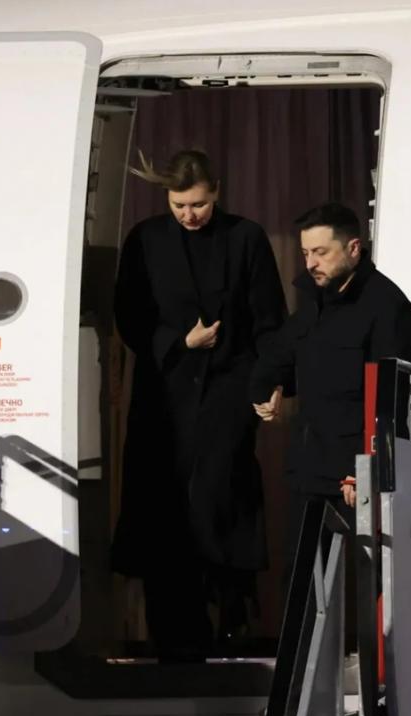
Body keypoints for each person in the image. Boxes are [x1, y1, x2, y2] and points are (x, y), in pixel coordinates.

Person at [111, 149, 288, 662]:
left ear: (217, 193)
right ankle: (174, 634)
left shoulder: (246, 237)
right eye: (179, 205)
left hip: (228, 391)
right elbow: (129, 314)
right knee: (163, 508)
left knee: (219, 497)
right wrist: (178, 342)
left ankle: (231, 613)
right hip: (163, 396)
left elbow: (269, 320)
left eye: (199, 204)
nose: (189, 214)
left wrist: (272, 384)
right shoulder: (146, 238)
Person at [248, 202, 411, 584]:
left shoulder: (387, 307)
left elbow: (389, 399)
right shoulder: (314, 300)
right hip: (309, 467)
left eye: (321, 252)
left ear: (354, 248)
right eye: (306, 253)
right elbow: (277, 356)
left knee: (372, 584)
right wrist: (269, 389)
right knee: (303, 584)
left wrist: (366, 467)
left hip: (354, 477)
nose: (311, 263)